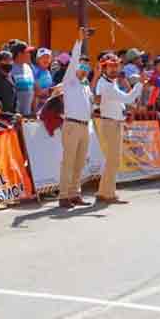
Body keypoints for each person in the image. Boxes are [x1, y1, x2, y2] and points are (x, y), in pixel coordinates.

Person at [95, 54, 142, 205]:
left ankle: (104, 192)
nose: (114, 68)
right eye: (111, 66)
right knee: (112, 160)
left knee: (112, 160)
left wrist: (124, 113)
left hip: (113, 122)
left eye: (116, 65)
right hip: (110, 124)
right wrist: (140, 84)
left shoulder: (109, 82)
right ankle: (107, 194)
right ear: (104, 68)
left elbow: (118, 103)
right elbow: (128, 98)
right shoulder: (106, 84)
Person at [58, 28, 95, 208]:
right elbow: (74, 60)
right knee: (69, 161)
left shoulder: (85, 86)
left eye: (87, 66)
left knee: (79, 162)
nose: (84, 68)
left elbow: (91, 105)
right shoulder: (69, 81)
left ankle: (75, 193)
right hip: (72, 125)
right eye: (82, 65)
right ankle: (64, 195)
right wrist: (79, 42)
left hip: (84, 126)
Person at [9, 42, 36, 116]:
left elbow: (32, 90)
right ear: (19, 54)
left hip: (28, 115)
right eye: (27, 52)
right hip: (15, 116)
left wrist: (33, 111)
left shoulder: (28, 68)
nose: (29, 55)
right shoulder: (10, 69)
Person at [33, 48, 55, 112]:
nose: (46, 59)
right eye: (43, 57)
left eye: (48, 57)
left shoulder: (48, 72)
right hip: (38, 107)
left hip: (46, 106)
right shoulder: (36, 71)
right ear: (37, 60)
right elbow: (37, 92)